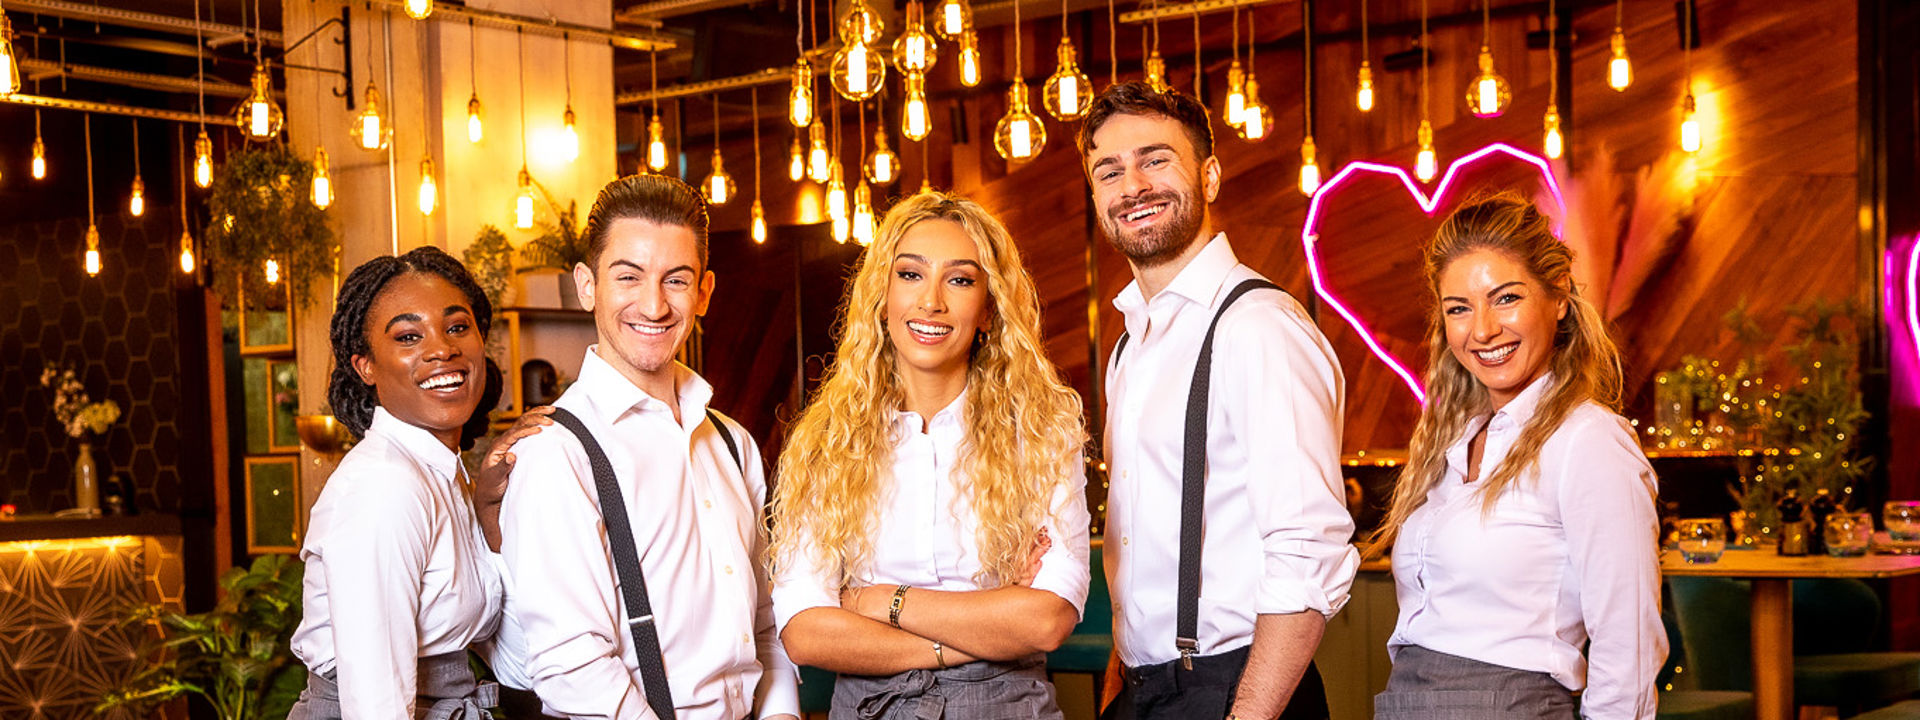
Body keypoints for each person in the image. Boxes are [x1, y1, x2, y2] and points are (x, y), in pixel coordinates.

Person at [1079, 83, 1358, 720]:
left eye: (1155, 160)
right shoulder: (1132, 344)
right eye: (1109, 171)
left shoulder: (1258, 326)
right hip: (1145, 690)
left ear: (1209, 174)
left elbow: (1307, 550)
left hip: (1238, 692)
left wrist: (1248, 714)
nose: (1133, 186)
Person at [486, 174, 800, 720]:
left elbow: (766, 624)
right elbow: (570, 664)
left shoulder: (734, 444)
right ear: (588, 286)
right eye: (628, 277)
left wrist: (780, 714)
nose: (653, 305)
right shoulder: (557, 454)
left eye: (675, 281)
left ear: (703, 293)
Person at [767, 191, 1093, 718]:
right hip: (871, 708)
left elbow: (1046, 620)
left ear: (988, 307)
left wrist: (880, 601)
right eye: (911, 275)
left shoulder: (1040, 429)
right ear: (882, 296)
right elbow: (806, 631)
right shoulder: (826, 441)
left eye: (961, 280)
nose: (931, 302)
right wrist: (977, 636)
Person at [1368, 192, 1665, 720]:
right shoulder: (1453, 440)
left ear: (1558, 299)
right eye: (1459, 308)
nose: (1482, 330)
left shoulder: (1587, 440)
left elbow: (1630, 642)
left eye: (1506, 298)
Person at [290, 246, 519, 719]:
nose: (442, 349)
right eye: (409, 336)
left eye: (457, 327)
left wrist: (490, 520)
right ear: (365, 366)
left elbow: (502, 645)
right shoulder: (384, 485)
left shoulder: (441, 471)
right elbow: (377, 705)